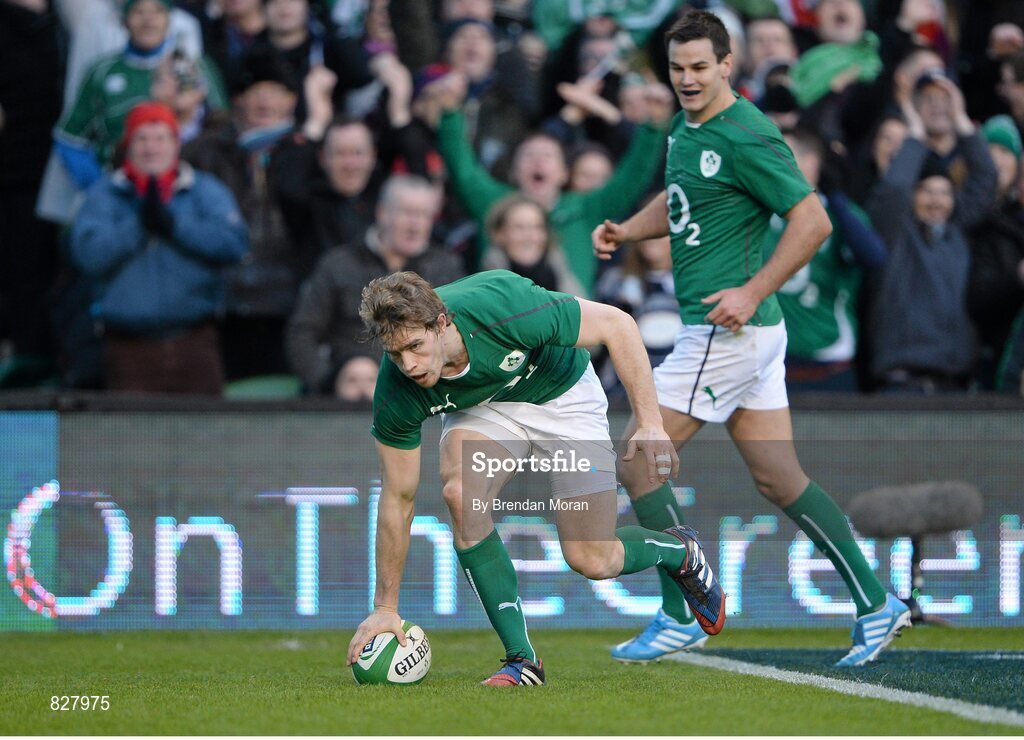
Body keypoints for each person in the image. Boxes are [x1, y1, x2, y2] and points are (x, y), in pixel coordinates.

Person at [592, 10, 910, 668]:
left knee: (636, 459)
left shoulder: (745, 132)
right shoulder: (689, 125)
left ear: (727, 65)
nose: (687, 79)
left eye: (700, 68)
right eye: (678, 68)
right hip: (748, 338)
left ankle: (680, 612)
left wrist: (754, 289)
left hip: (726, 330)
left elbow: (813, 220)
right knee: (780, 479)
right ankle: (877, 602)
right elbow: (682, 203)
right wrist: (627, 229)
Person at [345, 269, 726, 686]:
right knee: (459, 494)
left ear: (442, 323)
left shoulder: (502, 304)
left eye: (416, 347)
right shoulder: (398, 388)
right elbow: (398, 499)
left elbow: (618, 324)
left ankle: (679, 551)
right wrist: (385, 607)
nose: (409, 364)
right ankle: (522, 660)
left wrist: (650, 423)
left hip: (563, 395)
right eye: (396, 354)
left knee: (592, 558)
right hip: (486, 409)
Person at [69, 102, 247, 394]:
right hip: (127, 346)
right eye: (142, 139)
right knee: (131, 437)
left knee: (205, 434)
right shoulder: (104, 195)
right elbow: (89, 256)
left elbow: (234, 245)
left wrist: (175, 226)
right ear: (128, 145)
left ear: (176, 144)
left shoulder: (204, 190)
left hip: (195, 341)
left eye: (160, 138)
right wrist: (139, 226)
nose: (151, 148)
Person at [284, 175, 464, 395]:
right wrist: (329, 382)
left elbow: (460, 332)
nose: (416, 224)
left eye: (424, 215)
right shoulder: (338, 264)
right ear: (382, 213)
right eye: (407, 213)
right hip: (348, 397)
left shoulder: (446, 266)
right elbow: (302, 333)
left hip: (421, 392)